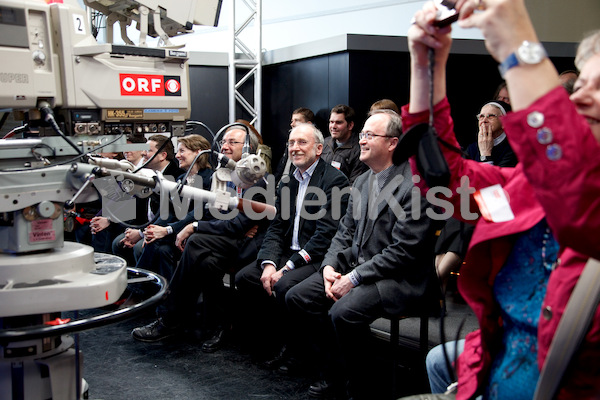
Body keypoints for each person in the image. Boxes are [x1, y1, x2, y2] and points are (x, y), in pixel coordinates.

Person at [406, 1, 600, 398]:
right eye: (581, 86)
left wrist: (519, 41)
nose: (581, 99)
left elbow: (578, 202)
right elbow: (446, 179)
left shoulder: (576, 194)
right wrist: (428, 65)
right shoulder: (524, 190)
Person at [285, 109, 440, 400]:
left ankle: (365, 387)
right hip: (361, 270)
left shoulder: (416, 185)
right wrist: (329, 268)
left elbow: (403, 252)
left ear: (393, 143)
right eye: (362, 135)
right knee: (299, 296)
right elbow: (343, 233)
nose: (362, 141)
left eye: (369, 135)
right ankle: (336, 372)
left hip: (400, 279)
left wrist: (353, 278)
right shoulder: (362, 181)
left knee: (343, 313)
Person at [131, 127, 267, 348]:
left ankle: (169, 318)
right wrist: (221, 224)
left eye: (233, 142)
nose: (224, 147)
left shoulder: (259, 180)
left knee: (194, 241)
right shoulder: (223, 177)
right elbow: (218, 215)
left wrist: (195, 226)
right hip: (224, 241)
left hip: (248, 244)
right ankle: (219, 325)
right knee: (206, 263)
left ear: (248, 148)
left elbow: (238, 225)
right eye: (223, 142)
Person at [235, 123, 350, 368]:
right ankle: (269, 341)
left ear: (319, 149)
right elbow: (276, 227)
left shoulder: (335, 181)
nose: (295, 148)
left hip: (317, 256)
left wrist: (285, 267)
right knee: (246, 277)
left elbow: (325, 236)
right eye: (291, 143)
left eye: (302, 142)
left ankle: (298, 350)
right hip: (290, 253)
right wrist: (268, 264)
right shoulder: (288, 182)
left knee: (285, 284)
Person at [110, 134, 184, 266]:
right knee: (119, 243)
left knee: (140, 247)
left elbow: (169, 214)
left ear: (163, 156)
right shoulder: (147, 173)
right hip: (146, 225)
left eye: (148, 150)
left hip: (167, 229)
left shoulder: (175, 176)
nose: (143, 153)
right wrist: (133, 231)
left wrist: (141, 233)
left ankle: (144, 285)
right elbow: (139, 206)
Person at [322, 104, 368, 184]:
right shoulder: (325, 143)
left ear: (350, 125)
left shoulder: (359, 149)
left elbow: (355, 184)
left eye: (338, 123)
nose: (333, 126)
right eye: (331, 122)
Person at [275, 107, 316, 183]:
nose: (292, 124)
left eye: (296, 120)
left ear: (308, 124)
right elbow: (280, 170)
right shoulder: (289, 143)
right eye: (292, 121)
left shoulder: (313, 147)